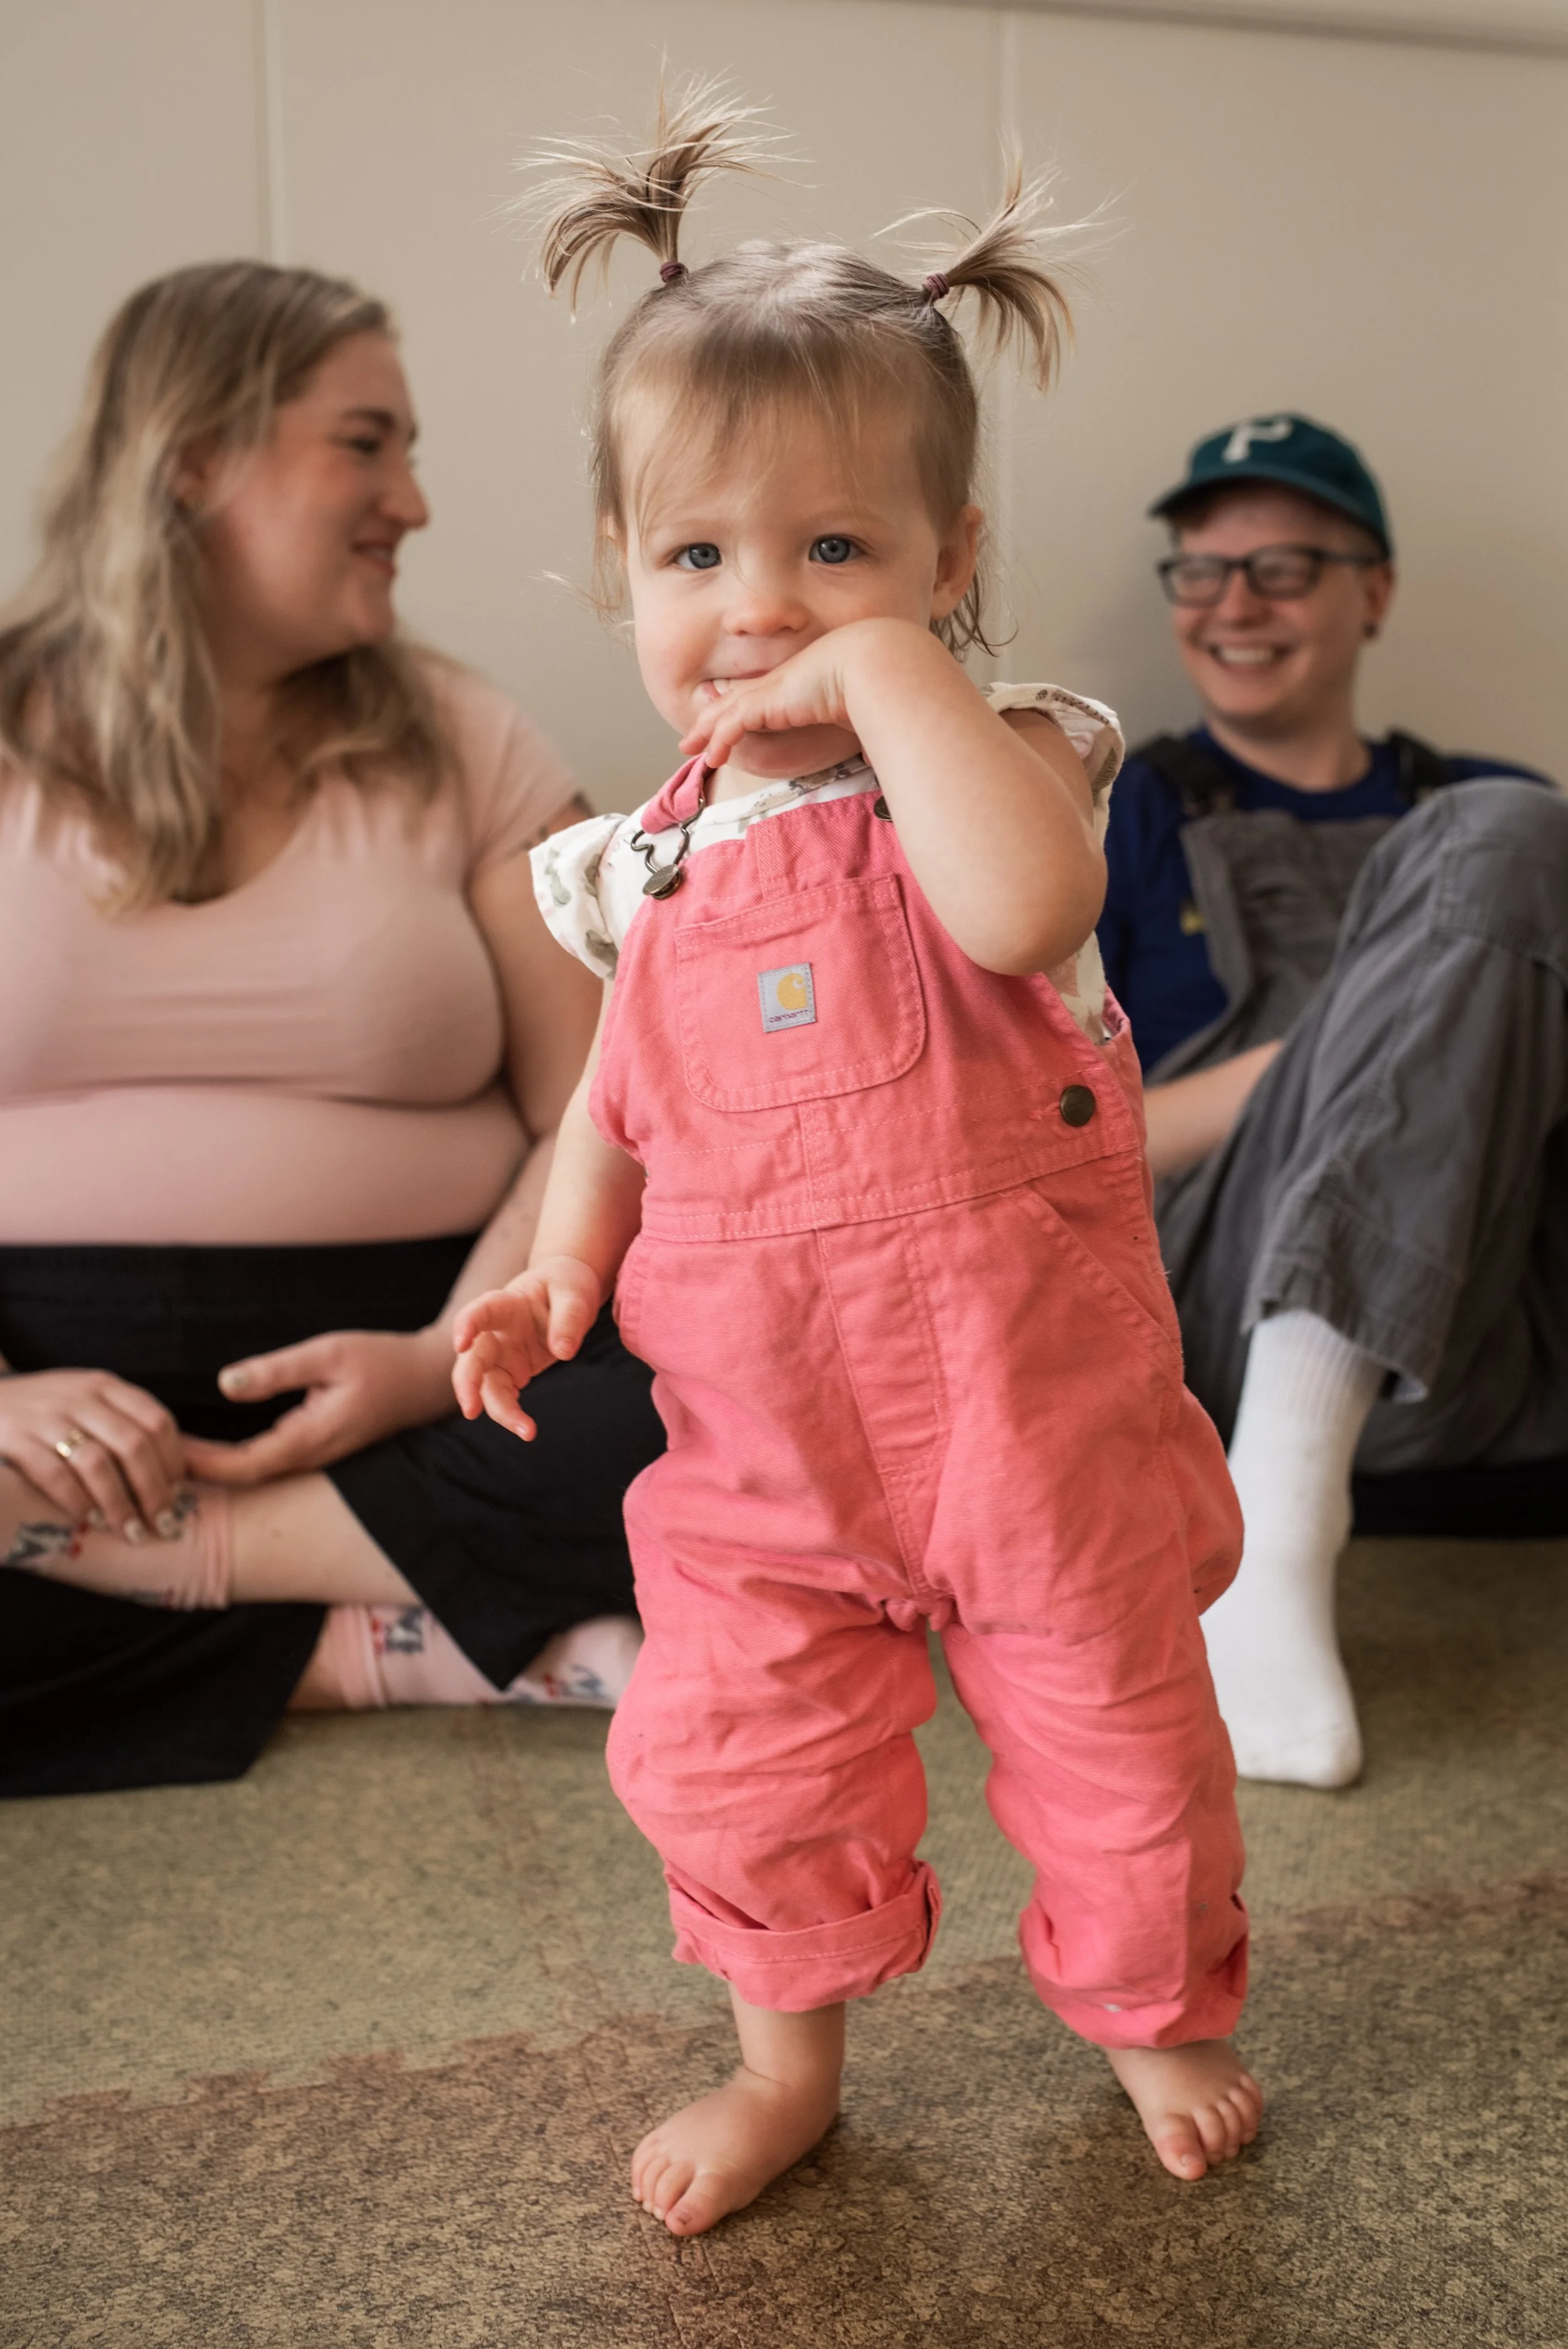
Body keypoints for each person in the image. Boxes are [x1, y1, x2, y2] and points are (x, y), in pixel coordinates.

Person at [454, 88, 1262, 2239]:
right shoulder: (639, 866)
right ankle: (780, 2063)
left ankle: (1153, 2010)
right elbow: (619, 1096)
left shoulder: (993, 765)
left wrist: (895, 675)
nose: (764, 612)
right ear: (621, 570)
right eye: (697, 557)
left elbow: (1020, 914)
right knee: (740, 1758)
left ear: (950, 561)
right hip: (763, 1443)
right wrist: (558, 1267)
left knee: (1120, 1746)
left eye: (837, 553)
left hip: (1028, 1420)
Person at [0, 262, 664, 1799]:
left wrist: (440, 1360)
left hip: (440, 1367)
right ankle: (380, 1638)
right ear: (192, 457)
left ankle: (170, 1568)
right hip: (34, 1394)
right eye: (365, 445)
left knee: (743, 1414)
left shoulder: (473, 742)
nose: (411, 503)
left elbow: (602, 1100)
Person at [1102, 412, 1568, 1790]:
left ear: (1374, 592)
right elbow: (1052, 1144)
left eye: (1284, 568)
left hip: (1484, 1334)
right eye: (1201, 571)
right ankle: (1276, 1512)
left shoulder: (1491, 812)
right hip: (1216, 1309)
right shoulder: (1122, 813)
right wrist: (1328, 1062)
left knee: (1507, 833)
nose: (1233, 604)